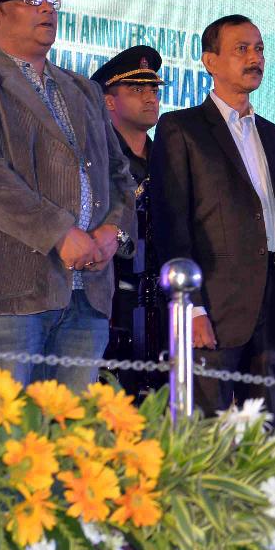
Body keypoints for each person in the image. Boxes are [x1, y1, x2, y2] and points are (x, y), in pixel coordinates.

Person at [0, 0, 134, 389]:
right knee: (11, 428)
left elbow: (120, 176)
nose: (47, 7)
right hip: (10, 293)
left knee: (73, 428)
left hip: (89, 293)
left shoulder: (85, 90)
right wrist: (60, 233)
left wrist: (112, 232)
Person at [149, 14, 275, 416]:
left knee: (269, 429)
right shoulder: (181, 128)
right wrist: (192, 308)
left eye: (259, 49)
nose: (254, 58)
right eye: (242, 49)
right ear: (210, 61)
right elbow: (172, 227)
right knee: (208, 429)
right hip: (215, 305)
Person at [91, 45, 164, 387]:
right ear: (108, 101)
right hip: (112, 301)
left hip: (163, 303)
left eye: (153, 89)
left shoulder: (169, 158)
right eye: (136, 89)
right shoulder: (96, 159)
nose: (150, 97)